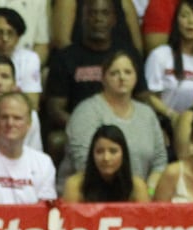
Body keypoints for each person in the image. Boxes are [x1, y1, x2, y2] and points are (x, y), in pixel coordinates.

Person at [45, 0, 142, 164]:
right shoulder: (66, 57)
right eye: (93, 13)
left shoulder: (128, 54)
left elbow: (142, 96)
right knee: (56, 139)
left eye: (104, 13)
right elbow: (55, 108)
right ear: (83, 18)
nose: (98, 19)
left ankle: (149, 189)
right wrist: (85, 125)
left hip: (124, 124)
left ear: (114, 19)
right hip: (80, 128)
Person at [62, 51, 168, 187]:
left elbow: (159, 161)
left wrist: (149, 192)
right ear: (103, 78)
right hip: (92, 195)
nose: (122, 77)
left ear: (136, 77)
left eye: (128, 72)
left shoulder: (147, 114)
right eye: (114, 73)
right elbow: (84, 163)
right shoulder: (86, 112)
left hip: (141, 197)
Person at [144, 0, 193, 120]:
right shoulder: (160, 55)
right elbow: (149, 96)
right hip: (165, 121)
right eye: (184, 16)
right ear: (176, 21)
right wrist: (173, 116)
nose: (191, 22)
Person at [62, 124, 151, 202]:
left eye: (113, 151)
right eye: (100, 151)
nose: (106, 158)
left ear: (123, 154)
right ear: (92, 155)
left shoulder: (137, 187)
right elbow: (71, 220)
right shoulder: (75, 185)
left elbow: (146, 220)